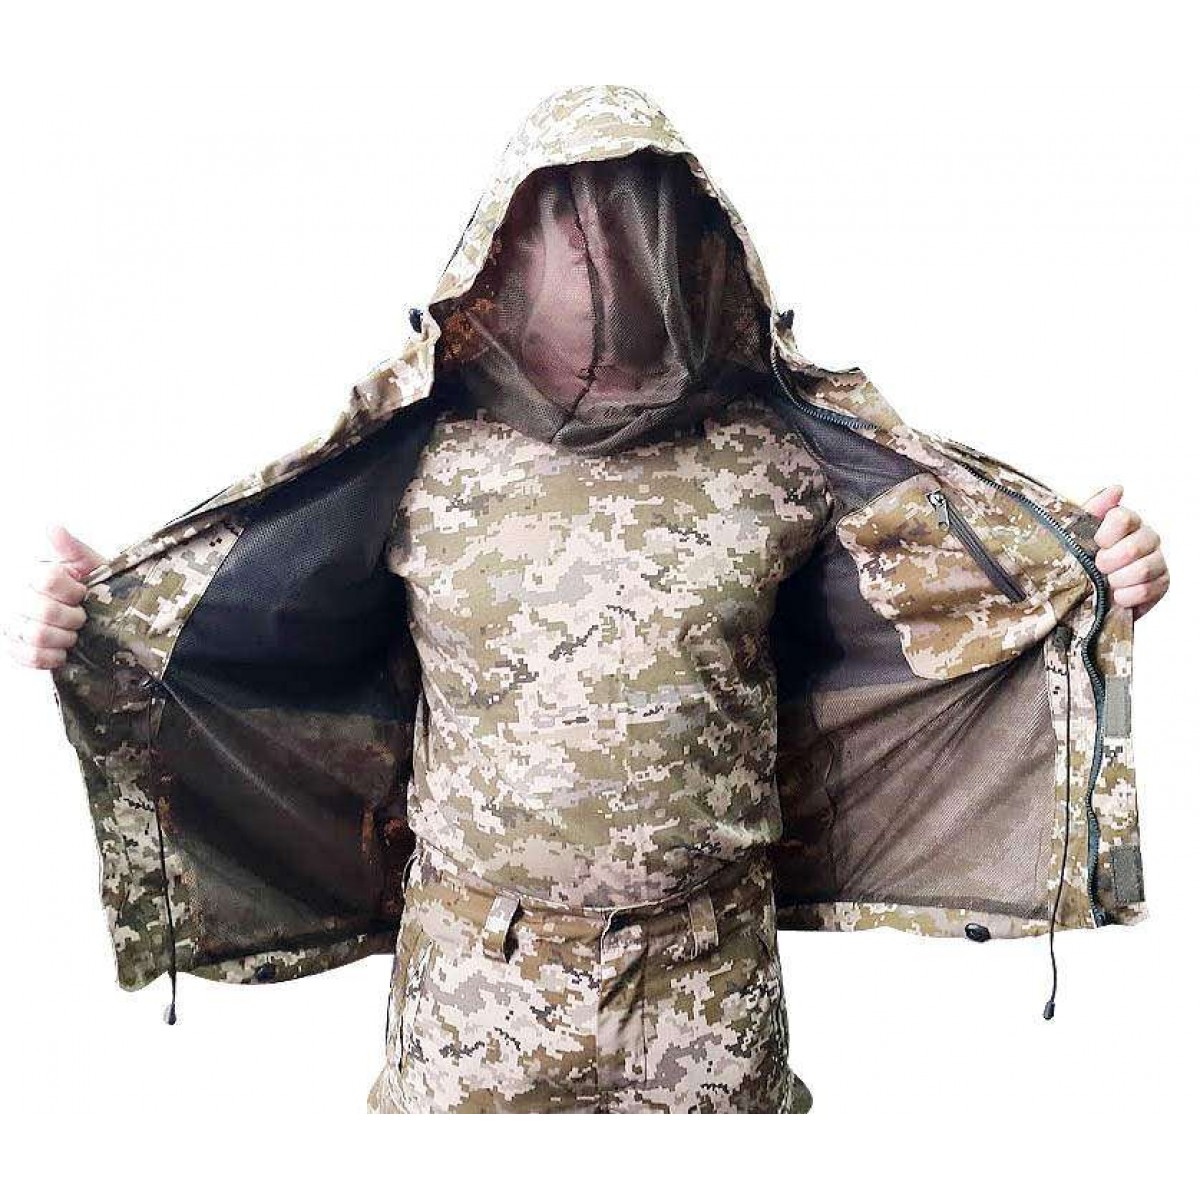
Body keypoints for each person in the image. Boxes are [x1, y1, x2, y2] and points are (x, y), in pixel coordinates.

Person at [2, 85, 1172, 1114]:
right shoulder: (420, 460)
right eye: (565, 224)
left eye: (631, 224)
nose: (602, 259)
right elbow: (255, 624)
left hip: (711, 991)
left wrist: (1096, 582)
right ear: (503, 253)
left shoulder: (781, 456)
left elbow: (951, 618)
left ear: (695, 248)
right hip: (477, 994)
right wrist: (98, 620)